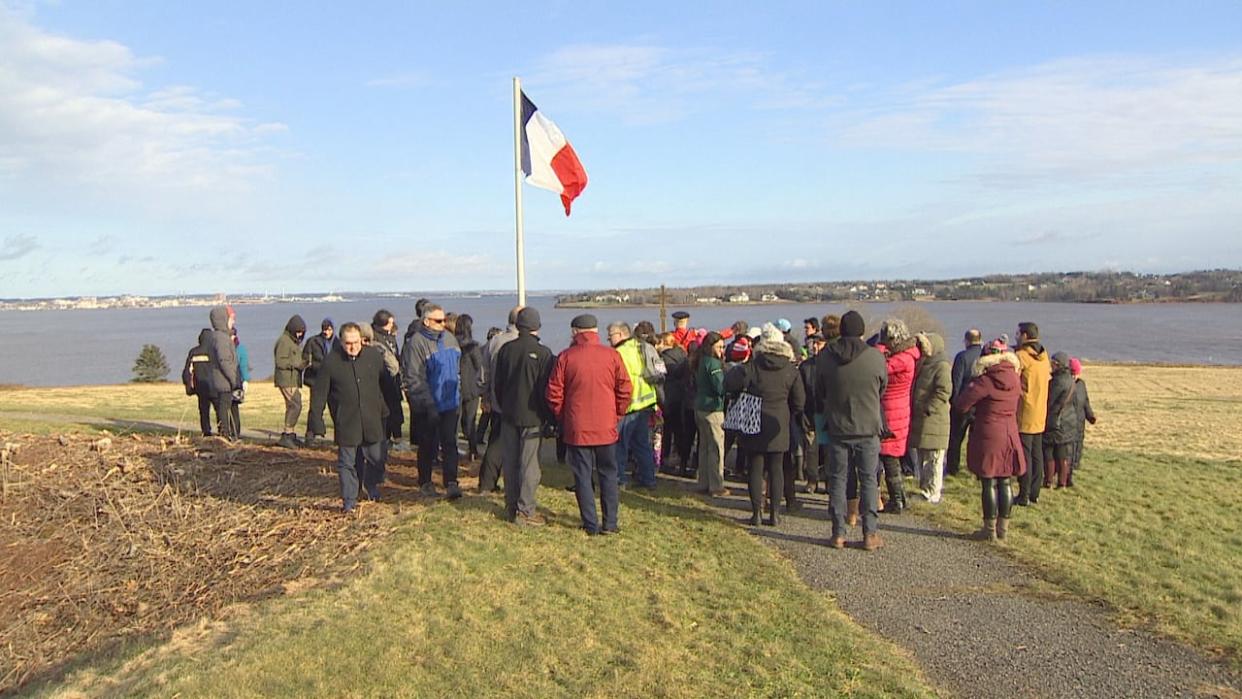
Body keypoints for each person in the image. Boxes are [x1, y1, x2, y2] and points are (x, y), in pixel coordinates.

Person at [546, 314, 632, 535]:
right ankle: (610, 523)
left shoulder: (566, 357)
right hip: (606, 426)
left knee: (582, 476)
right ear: (595, 331)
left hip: (577, 427)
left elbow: (554, 393)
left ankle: (591, 524)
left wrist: (564, 417)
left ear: (575, 332)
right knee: (608, 474)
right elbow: (625, 388)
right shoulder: (612, 355)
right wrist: (617, 414)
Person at [817, 311, 888, 551]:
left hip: (837, 426)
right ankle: (870, 533)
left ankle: (838, 533)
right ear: (861, 330)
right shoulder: (875, 358)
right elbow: (882, 388)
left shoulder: (827, 357)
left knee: (837, 480)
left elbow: (819, 389)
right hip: (868, 427)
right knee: (869, 480)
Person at [726, 323, 805, 526]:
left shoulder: (753, 365)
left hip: (753, 420)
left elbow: (730, 383)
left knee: (755, 467)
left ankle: (757, 513)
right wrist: (789, 414)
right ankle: (775, 513)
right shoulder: (790, 369)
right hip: (779, 421)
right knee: (777, 468)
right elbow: (799, 401)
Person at [309, 322, 388, 513]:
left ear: (361, 340)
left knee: (377, 458)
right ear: (341, 341)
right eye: (347, 343)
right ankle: (349, 501)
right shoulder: (331, 362)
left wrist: (392, 413)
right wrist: (316, 421)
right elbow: (319, 393)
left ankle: (371, 486)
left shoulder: (373, 357)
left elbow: (386, 385)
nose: (352, 347)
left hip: (372, 419)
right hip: (347, 421)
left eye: (355, 342)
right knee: (347, 463)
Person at [954, 340, 1026, 540]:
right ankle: (1003, 529)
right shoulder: (1015, 378)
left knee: (988, 481)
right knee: (1005, 480)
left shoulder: (985, 381)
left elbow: (962, 405)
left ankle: (989, 529)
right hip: (1010, 431)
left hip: (989, 433)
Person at [492, 308, 555, 525]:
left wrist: (502, 405)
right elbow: (545, 390)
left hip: (508, 413)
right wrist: (549, 417)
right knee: (530, 466)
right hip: (533, 416)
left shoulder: (506, 350)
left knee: (510, 462)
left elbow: (497, 383)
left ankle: (511, 507)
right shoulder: (544, 353)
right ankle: (525, 511)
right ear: (537, 326)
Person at [400, 303, 464, 499]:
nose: (443, 323)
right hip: (428, 405)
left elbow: (458, 369)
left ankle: (451, 482)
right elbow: (414, 377)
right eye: (438, 320)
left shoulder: (450, 339)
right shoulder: (416, 343)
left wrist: (458, 393)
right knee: (427, 445)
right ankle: (425, 482)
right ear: (426, 321)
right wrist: (427, 403)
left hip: (450, 403)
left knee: (449, 443)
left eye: (444, 320)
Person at [876, 318, 920, 514]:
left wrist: (877, 348)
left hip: (891, 411)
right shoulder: (907, 355)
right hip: (899, 410)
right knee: (890, 457)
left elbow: (880, 369)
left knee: (889, 457)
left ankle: (896, 500)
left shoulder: (900, 360)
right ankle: (899, 497)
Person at [477, 306, 523, 494]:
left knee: (496, 443)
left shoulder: (495, 340)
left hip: (497, 400)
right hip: (517, 402)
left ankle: (487, 483)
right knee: (507, 445)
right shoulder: (519, 342)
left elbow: (484, 372)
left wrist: (485, 395)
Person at [609, 321, 660, 488]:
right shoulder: (640, 346)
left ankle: (619, 478)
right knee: (642, 444)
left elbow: (617, 380)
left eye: (611, 335)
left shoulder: (619, 353)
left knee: (620, 444)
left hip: (629, 405)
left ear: (622, 334)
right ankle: (649, 479)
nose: (609, 339)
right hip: (646, 402)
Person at [910, 333, 952, 503]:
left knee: (934, 457)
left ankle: (933, 491)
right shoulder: (924, 364)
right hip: (922, 417)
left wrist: (929, 408)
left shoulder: (941, 366)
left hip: (934, 419)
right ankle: (925, 488)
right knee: (923, 455)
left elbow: (944, 391)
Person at [1014, 322, 1051, 505]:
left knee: (1025, 455)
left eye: (1018, 333)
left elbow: (1013, 382)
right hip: (1040, 410)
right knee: (1037, 454)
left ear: (1025, 336)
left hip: (1024, 411)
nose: (1016, 336)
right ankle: (1034, 493)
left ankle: (1024, 494)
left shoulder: (1021, 357)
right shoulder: (1044, 358)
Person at [692, 331, 728, 496]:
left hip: (699, 407)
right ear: (711, 346)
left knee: (704, 447)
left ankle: (703, 482)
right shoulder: (713, 364)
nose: (722, 350)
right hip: (713, 409)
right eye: (719, 346)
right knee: (716, 448)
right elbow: (720, 388)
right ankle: (716, 485)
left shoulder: (700, 361)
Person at [947, 329, 984, 476]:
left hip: (962, 404)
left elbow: (956, 381)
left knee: (956, 438)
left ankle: (952, 468)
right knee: (977, 440)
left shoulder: (962, 357)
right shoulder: (985, 356)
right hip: (979, 404)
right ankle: (977, 468)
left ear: (966, 341)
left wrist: (954, 402)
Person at [656, 331, 692, 474]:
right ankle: (682, 461)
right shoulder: (683, 355)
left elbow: (658, 378)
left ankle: (664, 458)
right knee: (680, 431)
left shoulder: (661, 359)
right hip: (681, 396)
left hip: (667, 396)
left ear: (664, 343)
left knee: (666, 431)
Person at [1042, 352, 1078, 489]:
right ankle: (1062, 482)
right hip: (1067, 421)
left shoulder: (1057, 382)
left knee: (1049, 452)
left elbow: (1049, 401)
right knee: (1062, 454)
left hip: (1055, 422)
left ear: (1058, 365)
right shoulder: (1070, 380)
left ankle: (1048, 481)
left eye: (1053, 363)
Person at [371, 310, 405, 452]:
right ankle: (385, 439)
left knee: (396, 409)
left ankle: (396, 437)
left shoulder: (390, 337)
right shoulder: (376, 338)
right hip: (383, 380)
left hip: (394, 379)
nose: (392, 325)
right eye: (389, 322)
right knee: (385, 410)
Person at [204, 306, 241, 440]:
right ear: (223, 319)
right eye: (231, 319)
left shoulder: (218, 337)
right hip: (224, 381)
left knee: (227, 408)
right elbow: (224, 360)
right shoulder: (222, 339)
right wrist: (233, 379)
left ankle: (231, 434)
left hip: (222, 380)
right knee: (225, 409)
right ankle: (225, 435)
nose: (233, 322)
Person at [273, 315, 308, 448]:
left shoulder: (293, 342)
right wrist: (296, 364)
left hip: (293, 379)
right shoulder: (284, 341)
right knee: (296, 405)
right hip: (286, 379)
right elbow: (280, 361)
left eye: (302, 332)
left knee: (292, 405)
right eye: (298, 331)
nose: (300, 334)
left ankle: (290, 434)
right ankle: (287, 434)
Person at [454, 314, 485, 463]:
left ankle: (452, 449)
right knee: (471, 420)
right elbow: (480, 366)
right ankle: (472, 450)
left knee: (455, 420)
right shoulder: (472, 346)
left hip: (455, 386)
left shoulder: (452, 343)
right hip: (471, 387)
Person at [799, 332, 826, 494]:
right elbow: (801, 392)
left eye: (819, 343)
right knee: (811, 449)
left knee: (829, 450)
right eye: (813, 343)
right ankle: (812, 480)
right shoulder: (805, 366)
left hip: (827, 413)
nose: (815, 347)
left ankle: (830, 480)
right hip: (810, 413)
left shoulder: (831, 364)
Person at [303, 318, 336, 447]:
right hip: (316, 380)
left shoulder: (338, 343)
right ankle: (311, 436)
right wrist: (317, 367)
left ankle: (339, 437)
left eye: (329, 329)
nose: (327, 332)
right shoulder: (313, 341)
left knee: (336, 409)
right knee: (315, 409)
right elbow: (306, 358)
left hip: (333, 381)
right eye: (325, 329)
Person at [1066, 358, 1097, 485]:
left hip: (1079, 422)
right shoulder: (1067, 385)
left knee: (1076, 449)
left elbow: (1086, 402)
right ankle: (1066, 477)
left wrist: (1091, 417)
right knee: (1068, 451)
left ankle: (1071, 472)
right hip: (1069, 423)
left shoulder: (1081, 385)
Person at [183, 328, 217, 436]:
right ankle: (223, 431)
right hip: (215, 386)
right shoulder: (215, 351)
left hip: (200, 387)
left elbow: (187, 372)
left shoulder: (193, 352)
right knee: (220, 411)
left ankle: (206, 432)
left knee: (203, 411)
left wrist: (189, 387)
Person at [230, 328, 251, 437]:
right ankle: (233, 432)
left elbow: (243, 366)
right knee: (231, 409)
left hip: (236, 382)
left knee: (233, 408)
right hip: (235, 381)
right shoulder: (240, 348)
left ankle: (234, 432)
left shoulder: (239, 348)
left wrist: (245, 380)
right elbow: (244, 365)